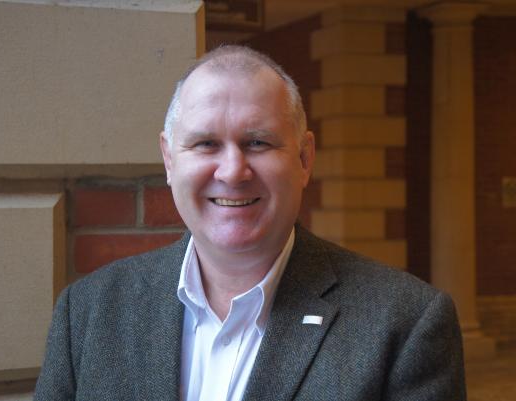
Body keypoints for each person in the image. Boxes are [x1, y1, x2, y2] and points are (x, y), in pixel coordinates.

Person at [34, 45, 466, 401]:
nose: (233, 172)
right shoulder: (88, 312)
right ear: (169, 160)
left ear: (304, 159)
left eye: (257, 142)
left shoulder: (404, 324)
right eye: (206, 143)